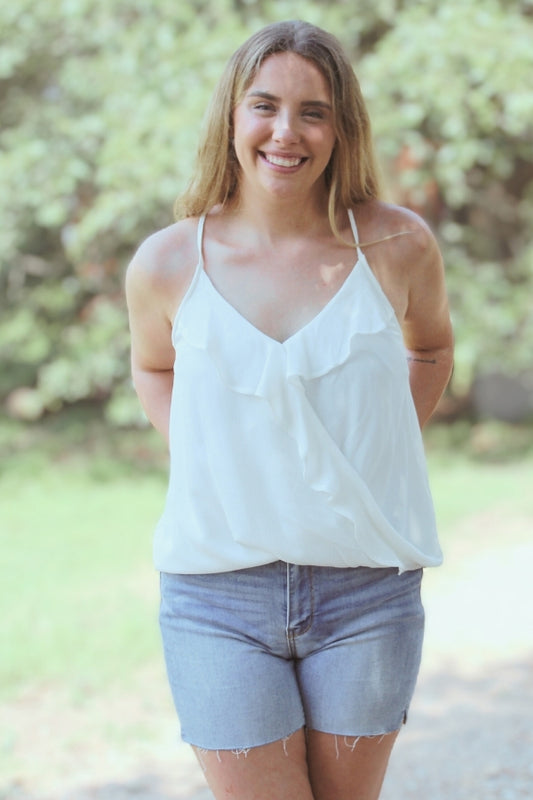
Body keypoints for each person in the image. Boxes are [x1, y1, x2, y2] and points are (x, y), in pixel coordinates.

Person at [125, 19, 454, 800]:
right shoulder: (169, 262)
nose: (286, 132)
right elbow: (152, 366)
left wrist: (366, 458)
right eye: (264, 105)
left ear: (342, 128)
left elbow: (432, 350)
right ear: (231, 117)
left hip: (364, 590)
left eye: (313, 111)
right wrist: (208, 457)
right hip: (217, 596)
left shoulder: (397, 246)